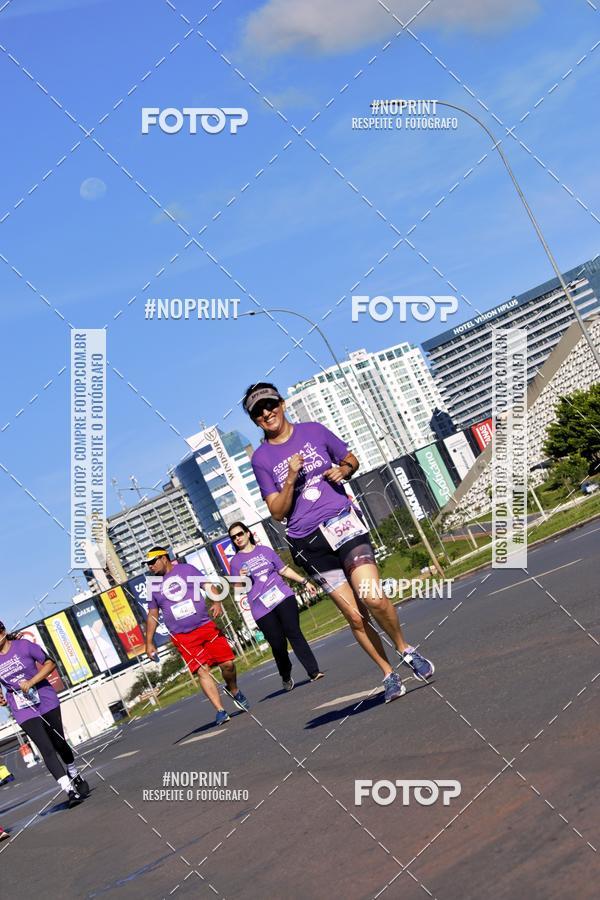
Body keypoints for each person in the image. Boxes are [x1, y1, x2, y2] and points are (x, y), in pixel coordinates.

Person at [243, 382, 435, 704]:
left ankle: (405, 648)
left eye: (270, 404)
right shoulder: (261, 459)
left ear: (282, 403)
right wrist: (290, 477)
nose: (266, 413)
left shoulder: (314, 431)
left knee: (371, 598)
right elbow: (276, 512)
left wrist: (342, 469)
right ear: (255, 420)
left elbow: (351, 460)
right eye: (258, 412)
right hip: (307, 541)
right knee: (356, 616)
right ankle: (388, 673)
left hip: (341, 522)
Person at [144, 547, 250, 726]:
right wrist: (149, 642)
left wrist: (216, 601)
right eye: (147, 564)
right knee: (202, 670)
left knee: (228, 664)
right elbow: (152, 615)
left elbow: (208, 586)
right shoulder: (152, 586)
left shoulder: (187, 570)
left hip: (205, 627)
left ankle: (233, 689)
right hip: (182, 637)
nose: (150, 567)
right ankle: (220, 710)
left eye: (153, 562)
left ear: (164, 558)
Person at [0, 622, 89, 808]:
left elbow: (50, 663)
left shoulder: (24, 646)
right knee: (46, 748)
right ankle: (69, 790)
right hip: (22, 708)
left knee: (59, 742)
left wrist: (32, 681)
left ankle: (73, 771)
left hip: (45, 698)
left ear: (3, 632)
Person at [228, 522, 324, 691]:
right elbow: (238, 590)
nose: (238, 538)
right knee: (278, 644)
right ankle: (285, 675)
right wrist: (241, 579)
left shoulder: (265, 551)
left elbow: (283, 570)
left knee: (294, 632)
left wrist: (304, 581)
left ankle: (313, 671)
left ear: (248, 533)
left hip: (282, 596)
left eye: (240, 534)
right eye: (234, 537)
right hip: (261, 608)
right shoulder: (235, 562)